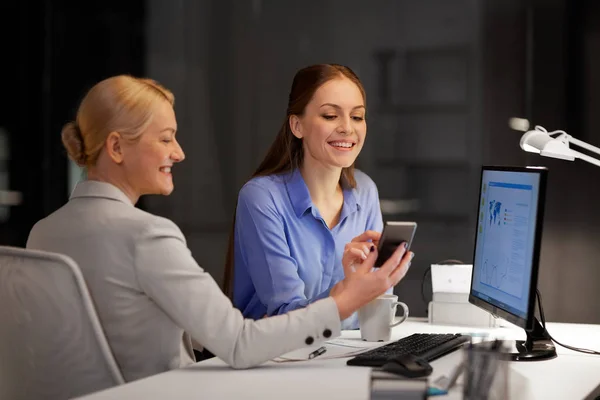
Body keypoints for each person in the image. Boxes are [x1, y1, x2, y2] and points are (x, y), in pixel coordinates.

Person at [26, 75, 414, 383]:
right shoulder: (149, 236)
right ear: (115, 148)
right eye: (166, 139)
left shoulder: (42, 233)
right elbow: (240, 344)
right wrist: (346, 299)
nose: (179, 152)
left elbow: (123, 326)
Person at [225, 64, 392, 328]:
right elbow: (287, 317)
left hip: (344, 355)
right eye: (330, 116)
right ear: (297, 125)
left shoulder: (365, 190)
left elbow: (377, 304)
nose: (348, 128)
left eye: (357, 117)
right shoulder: (261, 198)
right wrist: (351, 293)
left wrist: (381, 282)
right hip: (274, 360)